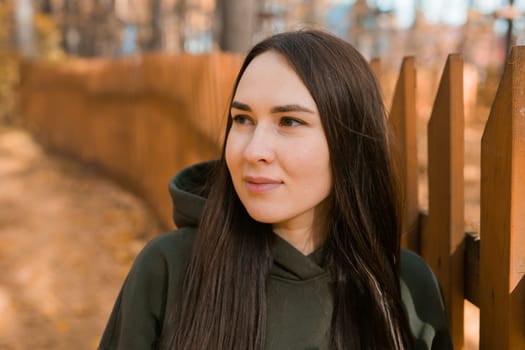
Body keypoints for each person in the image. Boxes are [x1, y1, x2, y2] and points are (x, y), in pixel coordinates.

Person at [99, 29, 453, 350]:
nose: (254, 150)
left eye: (289, 122)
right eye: (243, 119)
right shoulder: (170, 268)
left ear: (349, 142)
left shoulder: (405, 288)